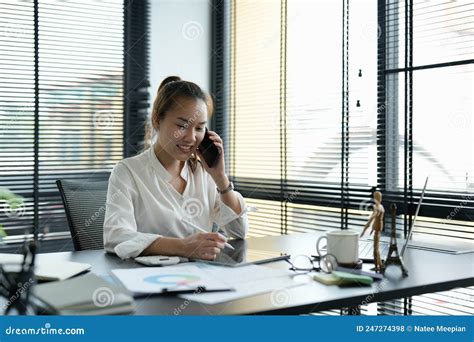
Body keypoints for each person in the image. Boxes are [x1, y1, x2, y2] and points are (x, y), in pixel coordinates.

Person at [104, 76, 248, 260]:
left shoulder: (204, 173)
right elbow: (115, 237)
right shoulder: (127, 172)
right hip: (148, 279)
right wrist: (183, 246)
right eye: (181, 126)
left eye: (199, 128)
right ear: (157, 120)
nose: (190, 137)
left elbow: (239, 231)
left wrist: (220, 177)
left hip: (202, 279)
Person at [360, 191, 384, 272]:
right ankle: (380, 265)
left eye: (376, 197)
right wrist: (372, 229)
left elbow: (372, 219)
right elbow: (377, 219)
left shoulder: (377, 207)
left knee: (375, 249)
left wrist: (364, 229)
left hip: (378, 229)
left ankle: (376, 266)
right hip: (378, 228)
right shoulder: (381, 206)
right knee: (377, 248)